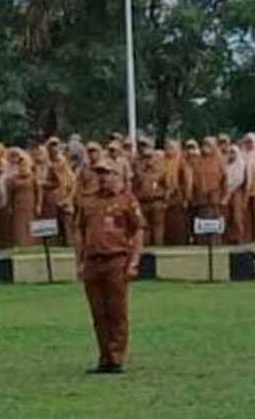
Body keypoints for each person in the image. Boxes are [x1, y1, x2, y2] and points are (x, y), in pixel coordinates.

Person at [73, 160, 144, 375]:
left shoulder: (126, 200)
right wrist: (79, 260)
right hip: (93, 261)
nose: (103, 178)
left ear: (117, 175)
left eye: (107, 173)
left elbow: (138, 230)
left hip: (116, 259)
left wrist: (134, 261)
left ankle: (116, 357)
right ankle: (104, 356)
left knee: (117, 311)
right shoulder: (88, 201)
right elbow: (79, 231)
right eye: (100, 174)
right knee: (99, 313)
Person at [6, 149, 42, 247]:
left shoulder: (33, 177)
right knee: (19, 225)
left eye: (24, 164)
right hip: (18, 205)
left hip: (30, 205)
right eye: (20, 165)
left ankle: (32, 244)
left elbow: (39, 192)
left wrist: (38, 204)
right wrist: (9, 206)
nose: (22, 167)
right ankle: (20, 243)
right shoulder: (13, 179)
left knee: (30, 224)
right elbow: (10, 194)